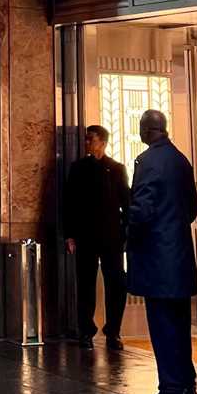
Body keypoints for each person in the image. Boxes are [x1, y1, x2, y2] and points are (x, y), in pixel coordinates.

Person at [126, 108, 197, 394]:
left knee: (162, 325)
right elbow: (192, 208)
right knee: (180, 325)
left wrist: (123, 220)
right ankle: (188, 387)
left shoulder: (149, 162)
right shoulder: (180, 160)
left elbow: (142, 210)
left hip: (157, 258)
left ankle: (170, 392)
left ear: (145, 131)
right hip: (180, 255)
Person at [63, 123, 130, 350]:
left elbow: (126, 202)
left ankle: (114, 331)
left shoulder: (117, 168)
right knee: (85, 285)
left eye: (91, 139)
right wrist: (70, 234)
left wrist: (128, 233)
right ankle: (86, 331)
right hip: (85, 236)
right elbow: (69, 203)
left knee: (116, 284)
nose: (87, 143)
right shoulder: (78, 168)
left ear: (102, 141)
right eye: (86, 139)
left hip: (112, 237)